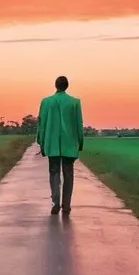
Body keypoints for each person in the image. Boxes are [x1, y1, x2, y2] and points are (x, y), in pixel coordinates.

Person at [37, 75, 84, 216]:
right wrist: (80, 143)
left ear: (55, 85)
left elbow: (41, 124)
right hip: (70, 144)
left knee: (54, 173)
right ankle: (67, 206)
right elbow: (78, 125)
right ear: (67, 86)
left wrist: (41, 142)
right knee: (68, 175)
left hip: (52, 144)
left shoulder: (46, 102)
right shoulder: (75, 102)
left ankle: (56, 203)